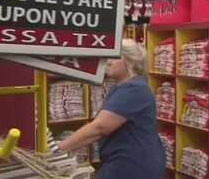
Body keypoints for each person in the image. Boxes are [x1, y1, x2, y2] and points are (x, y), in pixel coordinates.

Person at [57, 39, 166, 179]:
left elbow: (100, 128)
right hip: (124, 163)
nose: (108, 61)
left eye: (114, 57)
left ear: (130, 62)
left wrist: (57, 150)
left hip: (133, 166)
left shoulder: (134, 89)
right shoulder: (123, 87)